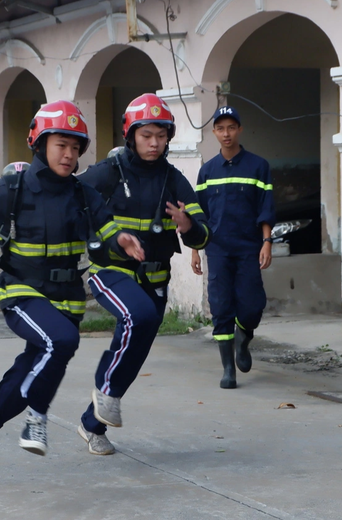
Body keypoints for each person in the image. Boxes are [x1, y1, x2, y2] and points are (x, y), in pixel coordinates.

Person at [0, 100, 145, 469]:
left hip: (67, 298)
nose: (69, 155)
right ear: (39, 143)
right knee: (63, 341)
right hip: (21, 291)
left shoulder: (84, 194)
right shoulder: (11, 189)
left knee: (30, 369)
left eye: (75, 148)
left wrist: (120, 240)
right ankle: (36, 419)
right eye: (61, 145)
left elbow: (107, 228)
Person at [76, 93, 210, 455]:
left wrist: (188, 225)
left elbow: (205, 231)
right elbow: (73, 202)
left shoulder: (173, 179)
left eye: (161, 136)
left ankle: (93, 424)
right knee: (139, 314)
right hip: (111, 271)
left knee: (134, 352)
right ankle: (106, 393)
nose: (154, 143)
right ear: (130, 135)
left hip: (155, 280)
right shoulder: (108, 172)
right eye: (146, 135)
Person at [191, 106, 275, 389]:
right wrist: (194, 250)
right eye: (220, 128)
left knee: (252, 306)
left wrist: (266, 242)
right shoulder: (207, 171)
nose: (226, 134)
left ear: (239, 129)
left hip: (249, 247)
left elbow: (266, 207)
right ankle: (228, 368)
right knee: (221, 306)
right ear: (214, 132)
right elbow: (199, 215)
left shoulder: (258, 166)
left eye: (231, 127)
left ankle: (244, 338)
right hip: (217, 249)